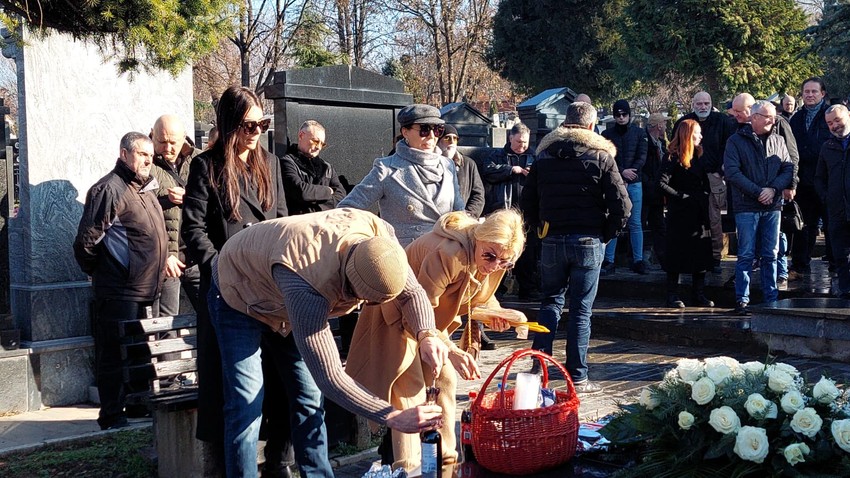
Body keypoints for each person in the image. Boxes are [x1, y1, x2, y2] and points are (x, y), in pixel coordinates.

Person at [209, 208, 449, 478]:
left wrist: (427, 333)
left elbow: (413, 293)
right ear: (350, 288)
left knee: (309, 399)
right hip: (239, 290)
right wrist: (391, 415)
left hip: (281, 283)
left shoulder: (382, 244)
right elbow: (331, 376)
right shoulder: (308, 285)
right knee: (246, 403)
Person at [346, 209, 524, 471]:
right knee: (410, 391)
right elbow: (417, 314)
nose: (494, 265)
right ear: (478, 238)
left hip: (430, 328)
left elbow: (480, 296)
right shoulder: (448, 254)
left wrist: (494, 314)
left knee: (445, 379)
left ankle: (446, 463)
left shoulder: (493, 253)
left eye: (505, 263)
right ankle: (407, 468)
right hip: (397, 316)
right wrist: (452, 350)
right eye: (490, 256)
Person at [181, 86, 292, 475]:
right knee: (229, 389)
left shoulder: (271, 164)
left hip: (269, 290)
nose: (256, 131)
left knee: (281, 384)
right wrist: (223, 271)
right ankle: (223, 468)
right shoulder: (206, 165)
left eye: (262, 123)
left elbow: (280, 221)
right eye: (248, 125)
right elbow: (193, 230)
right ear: (229, 124)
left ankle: (278, 463)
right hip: (227, 292)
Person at [522, 101, 631, 394]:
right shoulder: (602, 156)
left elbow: (526, 201)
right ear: (592, 126)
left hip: (552, 238)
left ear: (565, 124)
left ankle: (538, 369)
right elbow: (623, 206)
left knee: (550, 303)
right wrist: (606, 234)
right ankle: (578, 377)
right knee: (581, 311)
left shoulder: (544, 156)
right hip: (588, 240)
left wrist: (539, 228)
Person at [73, 132, 167, 430]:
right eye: (141, 155)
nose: (147, 161)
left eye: (150, 157)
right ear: (124, 154)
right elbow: (87, 242)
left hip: (146, 289)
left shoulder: (146, 188)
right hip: (119, 291)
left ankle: (138, 405)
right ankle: (111, 415)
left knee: (140, 351)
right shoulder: (109, 189)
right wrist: (104, 273)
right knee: (114, 355)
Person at [339, 104, 464, 247]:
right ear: (405, 132)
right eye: (424, 130)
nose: (431, 136)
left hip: (443, 255)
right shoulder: (386, 168)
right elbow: (347, 209)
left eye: (437, 130)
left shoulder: (448, 166)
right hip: (405, 257)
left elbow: (459, 211)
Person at [724, 101, 794, 315]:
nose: (773, 121)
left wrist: (773, 189)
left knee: (771, 254)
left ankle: (770, 297)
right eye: (768, 116)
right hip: (747, 206)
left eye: (774, 117)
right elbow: (732, 172)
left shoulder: (778, 140)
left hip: (773, 206)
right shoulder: (735, 141)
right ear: (754, 117)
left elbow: (788, 167)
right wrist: (758, 191)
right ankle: (742, 299)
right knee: (746, 254)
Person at [673, 92, 735, 272]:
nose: (703, 107)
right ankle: (689, 255)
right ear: (693, 104)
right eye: (699, 103)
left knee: (714, 219)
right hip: (688, 176)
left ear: (711, 103)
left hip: (713, 175)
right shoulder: (684, 122)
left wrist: (721, 170)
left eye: (706, 103)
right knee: (689, 218)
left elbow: (729, 146)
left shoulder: (723, 121)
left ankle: (715, 257)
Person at [149, 114, 201, 316]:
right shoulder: (145, 163)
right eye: (162, 142)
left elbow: (217, 198)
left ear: (184, 138)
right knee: (166, 323)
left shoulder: (199, 159)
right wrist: (164, 255)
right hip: (166, 258)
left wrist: (189, 196)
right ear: (152, 136)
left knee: (213, 316)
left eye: (173, 143)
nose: (168, 148)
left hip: (196, 256)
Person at [480, 122, 540, 299]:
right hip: (503, 209)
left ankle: (527, 288)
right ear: (510, 138)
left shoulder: (534, 157)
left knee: (527, 253)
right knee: (500, 251)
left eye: (525, 142)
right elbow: (488, 171)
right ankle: (497, 290)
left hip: (526, 212)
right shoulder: (497, 155)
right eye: (519, 142)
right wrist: (511, 170)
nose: (522, 146)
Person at [659, 119, 715, 308]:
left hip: (699, 211)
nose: (700, 136)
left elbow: (705, 180)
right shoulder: (671, 157)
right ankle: (672, 294)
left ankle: (698, 293)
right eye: (697, 133)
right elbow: (661, 183)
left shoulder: (700, 155)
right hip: (680, 213)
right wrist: (681, 197)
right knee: (676, 253)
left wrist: (705, 194)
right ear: (687, 135)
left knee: (700, 253)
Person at [789, 77, 833, 275]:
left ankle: (836, 265)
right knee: (804, 224)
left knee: (832, 223)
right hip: (804, 180)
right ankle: (800, 264)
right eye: (806, 91)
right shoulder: (796, 118)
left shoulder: (831, 114)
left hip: (827, 179)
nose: (810, 95)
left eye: (814, 91)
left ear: (822, 94)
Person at [601, 99, 648, 275]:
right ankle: (609, 260)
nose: (621, 118)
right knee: (614, 220)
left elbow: (642, 156)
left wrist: (630, 172)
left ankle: (638, 260)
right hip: (615, 181)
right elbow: (607, 157)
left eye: (624, 114)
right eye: (618, 115)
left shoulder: (639, 133)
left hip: (635, 181)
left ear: (629, 115)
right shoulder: (607, 134)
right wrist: (622, 172)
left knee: (635, 222)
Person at [815, 104, 850, 299]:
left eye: (837, 120)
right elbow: (819, 177)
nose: (834, 126)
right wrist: (827, 197)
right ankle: (845, 291)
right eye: (829, 123)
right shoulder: (827, 146)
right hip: (836, 210)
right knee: (840, 254)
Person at [280, 120, 346, 215]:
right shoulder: (287, 162)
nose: (319, 147)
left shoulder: (327, 167)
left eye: (322, 144)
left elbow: (341, 197)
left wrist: (312, 203)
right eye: (315, 141)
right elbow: (301, 192)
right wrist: (328, 191)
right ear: (301, 135)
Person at [438, 124, 485, 217]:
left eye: (455, 139)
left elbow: (478, 195)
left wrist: (468, 215)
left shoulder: (468, 164)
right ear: (438, 141)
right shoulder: (432, 163)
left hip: (461, 220)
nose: (451, 142)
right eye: (447, 138)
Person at [643, 113, 669, 267]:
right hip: (648, 191)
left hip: (657, 193)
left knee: (659, 224)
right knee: (642, 223)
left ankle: (663, 257)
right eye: (664, 124)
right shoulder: (645, 143)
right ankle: (640, 257)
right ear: (659, 125)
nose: (665, 127)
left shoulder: (661, 144)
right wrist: (652, 183)